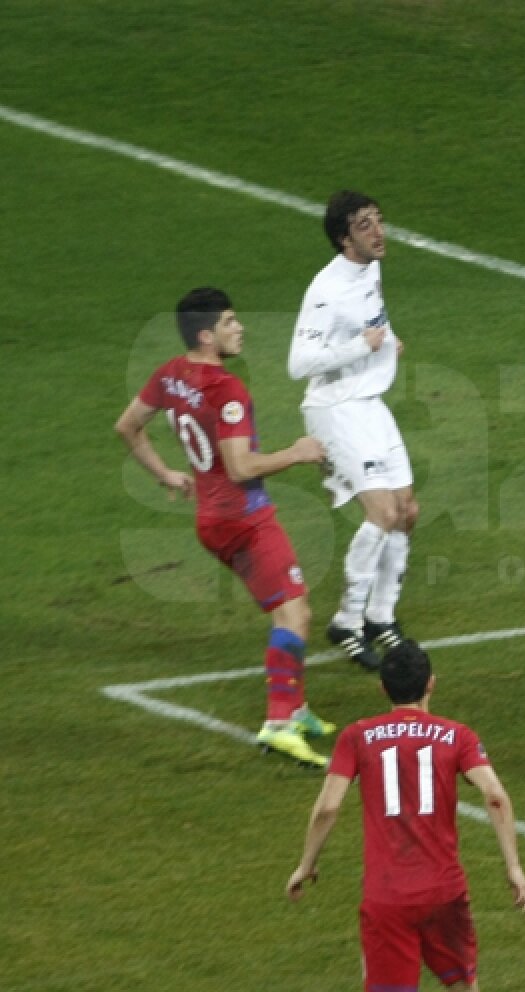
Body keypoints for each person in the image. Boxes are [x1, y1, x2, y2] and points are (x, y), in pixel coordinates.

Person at [115, 288, 333, 767]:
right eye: (232, 322)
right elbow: (239, 467)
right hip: (245, 518)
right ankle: (280, 724)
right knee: (294, 615)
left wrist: (166, 474)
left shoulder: (172, 374)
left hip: (211, 521)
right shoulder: (227, 390)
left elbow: (126, 426)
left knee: (293, 611)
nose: (241, 328)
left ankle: (296, 707)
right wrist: (297, 453)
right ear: (207, 335)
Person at [286, 639, 525, 992]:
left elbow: (328, 807)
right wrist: (513, 868)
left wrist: (306, 864)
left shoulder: (357, 736)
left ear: (383, 688)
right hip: (445, 890)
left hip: (388, 896)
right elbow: (495, 795)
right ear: (431, 682)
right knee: (464, 984)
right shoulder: (457, 735)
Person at [289, 190, 416, 672]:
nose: (379, 231)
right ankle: (347, 620)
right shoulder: (326, 289)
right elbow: (299, 363)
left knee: (406, 511)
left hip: (368, 402)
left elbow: (372, 321)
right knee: (382, 512)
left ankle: (381, 617)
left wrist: (386, 345)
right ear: (344, 239)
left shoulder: (370, 268)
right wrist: (362, 347)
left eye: (379, 220)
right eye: (365, 225)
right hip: (335, 408)